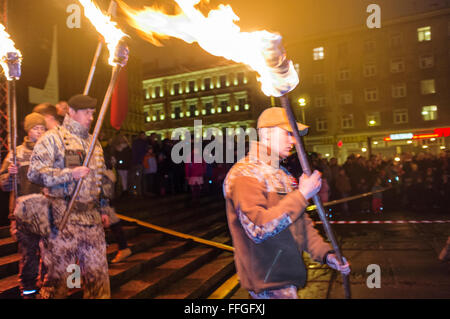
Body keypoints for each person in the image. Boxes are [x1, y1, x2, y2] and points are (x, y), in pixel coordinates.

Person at [223, 107, 350, 299]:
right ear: (266, 134)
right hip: (268, 285)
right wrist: (301, 195)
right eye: (288, 133)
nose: (294, 140)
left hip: (286, 280)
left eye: (295, 135)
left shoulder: (282, 174)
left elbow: (301, 224)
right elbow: (258, 228)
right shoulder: (245, 173)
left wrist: (326, 254)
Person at [28, 94, 110, 299]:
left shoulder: (94, 142)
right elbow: (34, 173)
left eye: (92, 113)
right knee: (57, 282)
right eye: (86, 113)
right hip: (62, 220)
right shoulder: (52, 139)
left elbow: (101, 179)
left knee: (99, 279)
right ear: (71, 113)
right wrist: (68, 174)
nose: (91, 117)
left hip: (91, 221)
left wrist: (104, 207)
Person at [0, 113, 47, 299]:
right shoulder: (16, 152)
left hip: (46, 211)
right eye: (36, 128)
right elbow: (4, 185)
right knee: (28, 254)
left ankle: (46, 287)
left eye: (43, 128)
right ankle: (28, 290)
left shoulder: (49, 152)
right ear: (29, 130)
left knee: (48, 252)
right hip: (24, 212)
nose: (40, 132)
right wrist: (9, 175)